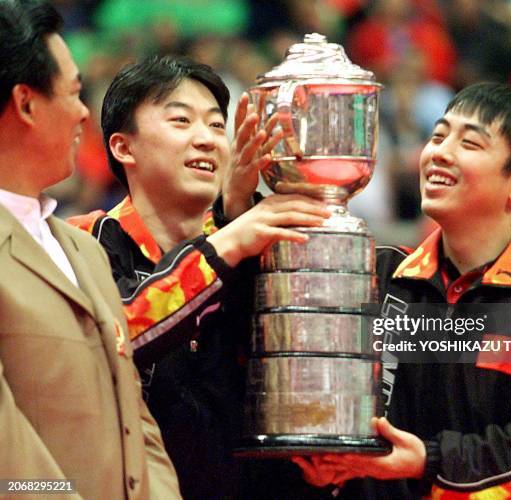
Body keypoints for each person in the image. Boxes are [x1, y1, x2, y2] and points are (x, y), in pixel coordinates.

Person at [293, 82, 511, 497]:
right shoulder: (377, 274)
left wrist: (431, 461)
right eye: (438, 136)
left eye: (470, 144)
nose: (439, 152)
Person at [69, 55, 330, 498]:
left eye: (215, 125)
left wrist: (237, 219)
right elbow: (117, 336)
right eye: (181, 120)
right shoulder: (81, 244)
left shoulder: (258, 245)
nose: (207, 140)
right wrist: (230, 239)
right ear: (123, 147)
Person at [0, 1, 180, 498]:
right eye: (76, 93)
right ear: (26, 103)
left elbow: (136, 420)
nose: (85, 113)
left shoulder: (84, 250)